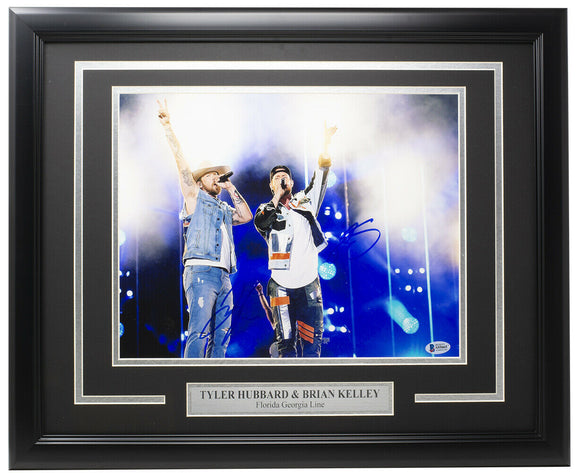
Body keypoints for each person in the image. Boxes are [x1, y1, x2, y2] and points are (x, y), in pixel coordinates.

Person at [157, 99, 253, 358]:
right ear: (199, 183)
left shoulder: (223, 209)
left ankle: (215, 378)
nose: (216, 178)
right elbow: (181, 165)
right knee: (200, 331)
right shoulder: (194, 198)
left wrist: (230, 187)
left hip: (224, 275)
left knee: (222, 336)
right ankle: (191, 377)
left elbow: (246, 216)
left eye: (217, 174)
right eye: (210, 175)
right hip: (201, 271)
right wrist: (168, 127)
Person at [254, 123, 337, 357]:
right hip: (281, 285)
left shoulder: (306, 201)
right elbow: (261, 223)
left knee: (312, 345)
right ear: (271, 185)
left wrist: (326, 143)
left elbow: (321, 175)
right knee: (286, 344)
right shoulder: (266, 210)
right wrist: (277, 197)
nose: (282, 179)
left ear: (291, 182)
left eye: (285, 177)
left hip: (309, 283)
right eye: (277, 178)